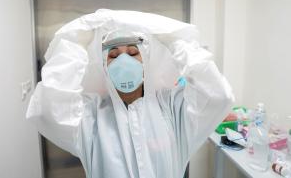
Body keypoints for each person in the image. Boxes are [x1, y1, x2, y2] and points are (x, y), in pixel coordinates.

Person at [26, 9, 234, 178]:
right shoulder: (91, 115)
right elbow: (47, 111)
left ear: (146, 61)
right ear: (104, 67)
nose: (124, 62)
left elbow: (217, 96)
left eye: (133, 53)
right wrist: (75, 46)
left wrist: (175, 42)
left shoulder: (172, 107)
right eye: (113, 56)